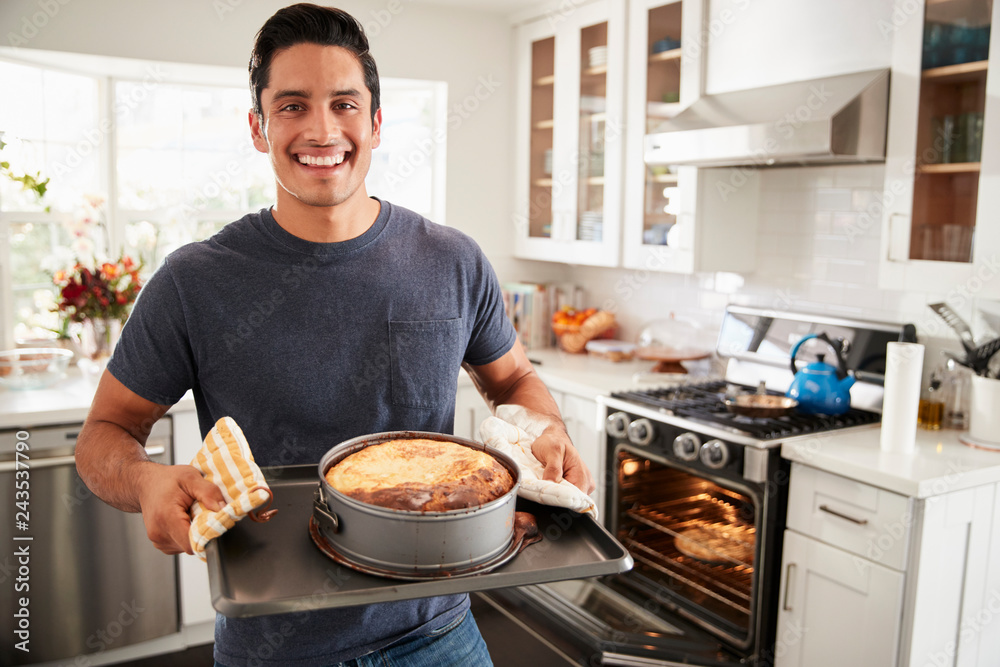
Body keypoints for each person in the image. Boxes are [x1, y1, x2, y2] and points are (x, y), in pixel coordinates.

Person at [74, 4, 594, 667]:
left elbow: (513, 378)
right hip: (274, 645)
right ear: (259, 128)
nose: (323, 128)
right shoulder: (193, 281)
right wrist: (147, 482)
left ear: (376, 123)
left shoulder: (454, 261)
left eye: (344, 104)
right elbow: (103, 436)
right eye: (292, 105)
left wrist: (547, 427)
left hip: (439, 634)